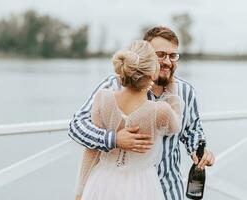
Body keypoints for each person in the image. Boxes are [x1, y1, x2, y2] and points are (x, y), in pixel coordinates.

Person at [68, 26, 215, 200]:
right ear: (146, 56)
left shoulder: (186, 92)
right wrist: (113, 139)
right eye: (160, 55)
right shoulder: (114, 86)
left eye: (173, 55)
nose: (168, 61)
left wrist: (199, 149)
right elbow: (76, 126)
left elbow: (192, 129)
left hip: (169, 189)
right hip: (119, 191)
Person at [75, 40, 184, 200]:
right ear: (153, 72)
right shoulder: (161, 111)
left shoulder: (102, 99)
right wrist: (172, 86)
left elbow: (91, 151)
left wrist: (80, 191)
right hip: (142, 186)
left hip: (101, 182)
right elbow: (176, 126)